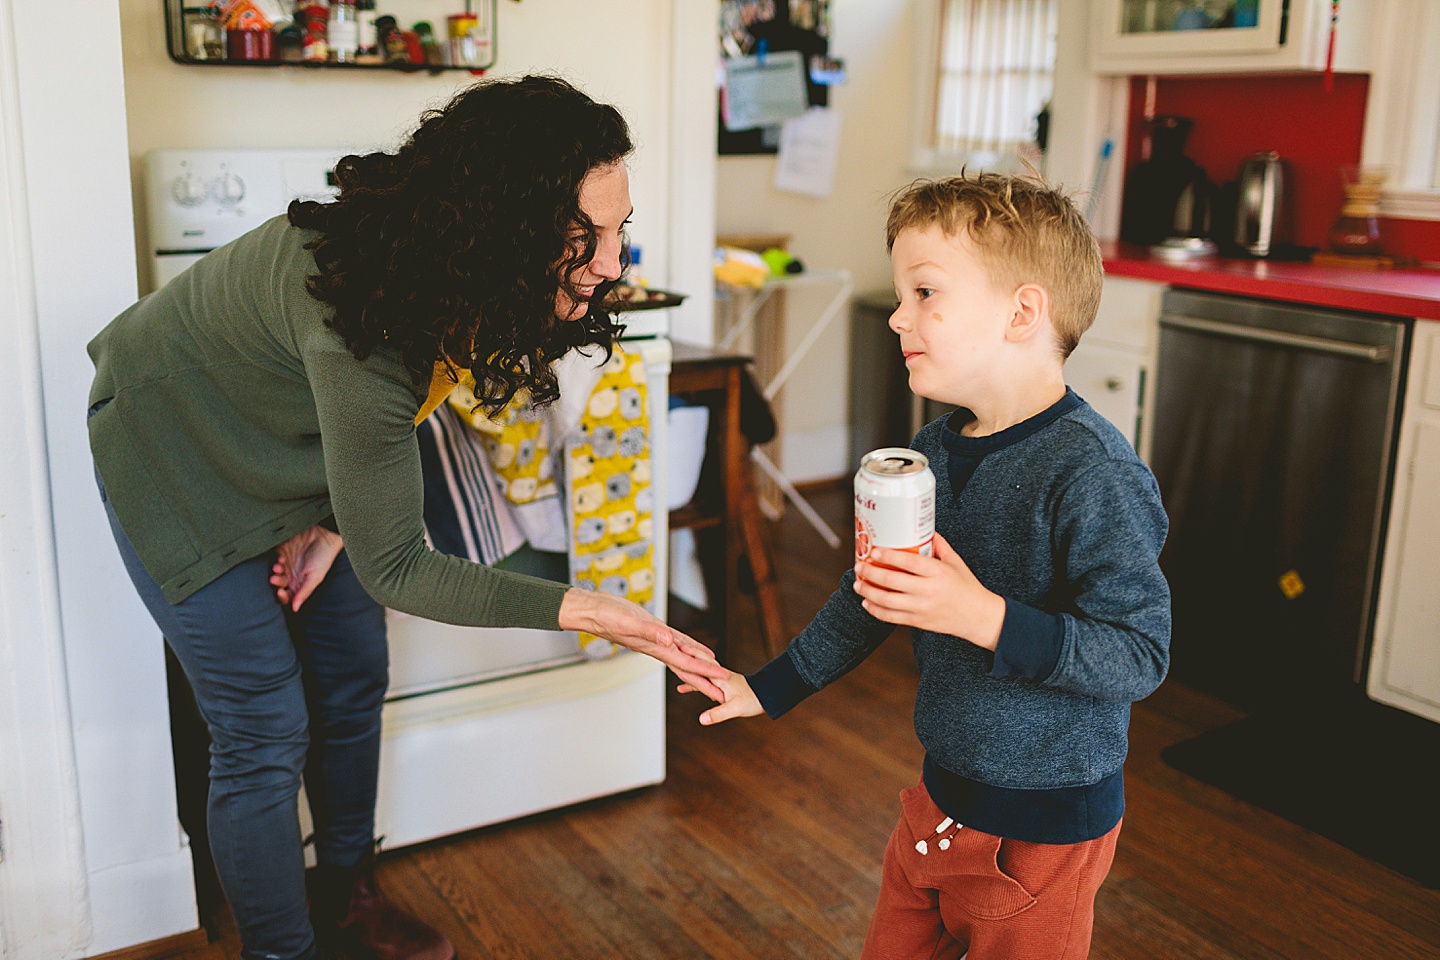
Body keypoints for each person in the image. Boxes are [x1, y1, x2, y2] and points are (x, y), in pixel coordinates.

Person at [87, 75, 726, 960]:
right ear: (508, 231)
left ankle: (348, 899)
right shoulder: (359, 319)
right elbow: (401, 565)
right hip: (175, 454)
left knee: (351, 670)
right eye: (589, 239)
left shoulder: (450, 275)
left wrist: (333, 519)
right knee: (263, 730)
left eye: (619, 232)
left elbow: (390, 416)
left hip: (286, 439)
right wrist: (586, 606)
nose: (615, 264)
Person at [688, 172, 1171, 960]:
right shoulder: (927, 457)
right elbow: (869, 594)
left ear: (1022, 312)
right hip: (939, 801)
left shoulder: (1092, 473)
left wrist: (982, 617)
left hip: (1044, 834)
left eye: (924, 293)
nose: (897, 316)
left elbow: (1139, 655)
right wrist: (766, 688)